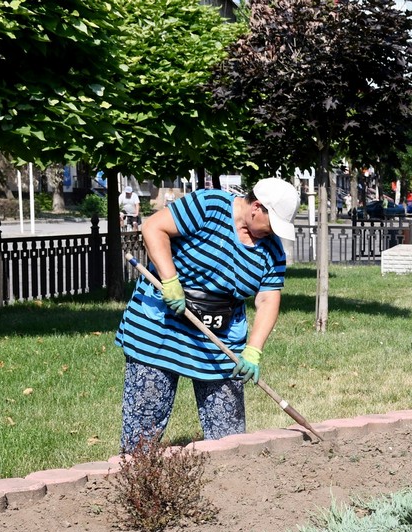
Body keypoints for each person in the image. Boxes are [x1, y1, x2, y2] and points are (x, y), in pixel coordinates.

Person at [114, 177, 299, 452]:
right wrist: (169, 280)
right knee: (141, 433)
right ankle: (137, 484)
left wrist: (254, 351)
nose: (272, 233)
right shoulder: (209, 205)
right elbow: (153, 227)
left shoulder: (271, 251)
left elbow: (268, 297)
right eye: (271, 225)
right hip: (160, 329)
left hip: (218, 341)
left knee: (231, 439)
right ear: (256, 208)